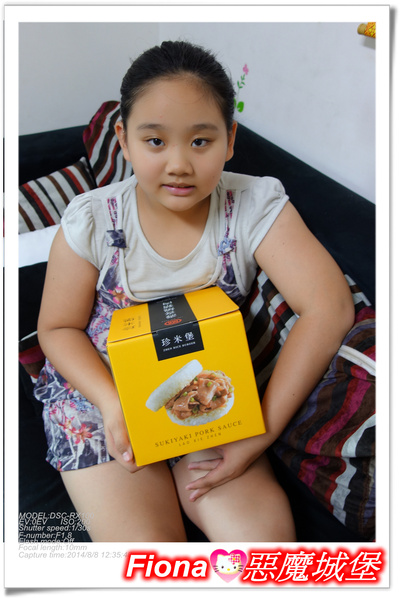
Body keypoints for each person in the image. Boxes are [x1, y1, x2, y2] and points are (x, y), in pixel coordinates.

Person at [35, 40, 355, 543]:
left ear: (230, 139)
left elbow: (328, 307)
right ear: (123, 139)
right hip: (102, 397)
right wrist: (114, 404)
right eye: (155, 141)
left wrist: (260, 433)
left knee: (262, 553)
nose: (179, 164)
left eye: (201, 141)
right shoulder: (92, 219)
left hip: (210, 395)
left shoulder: (253, 204)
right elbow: (56, 328)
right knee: (150, 562)